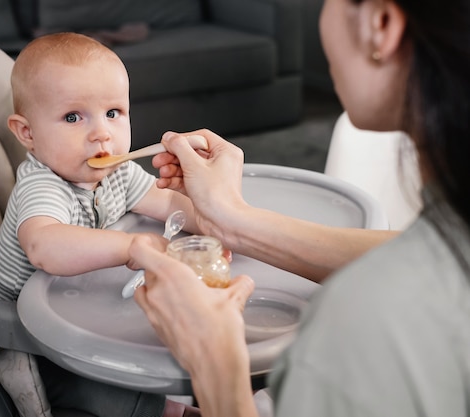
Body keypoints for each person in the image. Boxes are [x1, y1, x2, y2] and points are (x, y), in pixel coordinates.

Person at [128, 0, 470, 416]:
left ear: (380, 25)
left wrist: (214, 361)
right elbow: (420, 255)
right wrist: (232, 218)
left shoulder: (363, 323)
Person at [0, 32, 201, 417]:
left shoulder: (118, 173)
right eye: (73, 117)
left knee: (175, 356)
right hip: (22, 337)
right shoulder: (42, 184)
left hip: (77, 308)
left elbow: (168, 203)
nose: (102, 133)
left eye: (113, 113)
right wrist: (131, 247)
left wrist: (219, 220)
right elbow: (44, 246)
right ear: (27, 133)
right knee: (132, 396)